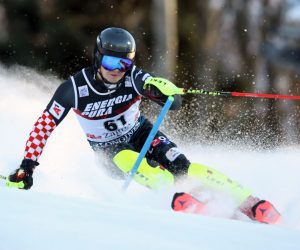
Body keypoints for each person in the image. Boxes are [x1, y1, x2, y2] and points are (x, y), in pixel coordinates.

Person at [8, 27, 280, 224]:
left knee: (184, 166)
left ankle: (249, 202)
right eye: (111, 61)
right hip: (108, 151)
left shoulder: (132, 76)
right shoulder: (75, 89)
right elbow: (44, 126)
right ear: (98, 58)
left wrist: (163, 92)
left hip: (142, 132)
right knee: (130, 160)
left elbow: (161, 94)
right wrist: (27, 166)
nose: (117, 69)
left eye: (125, 62)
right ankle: (178, 197)